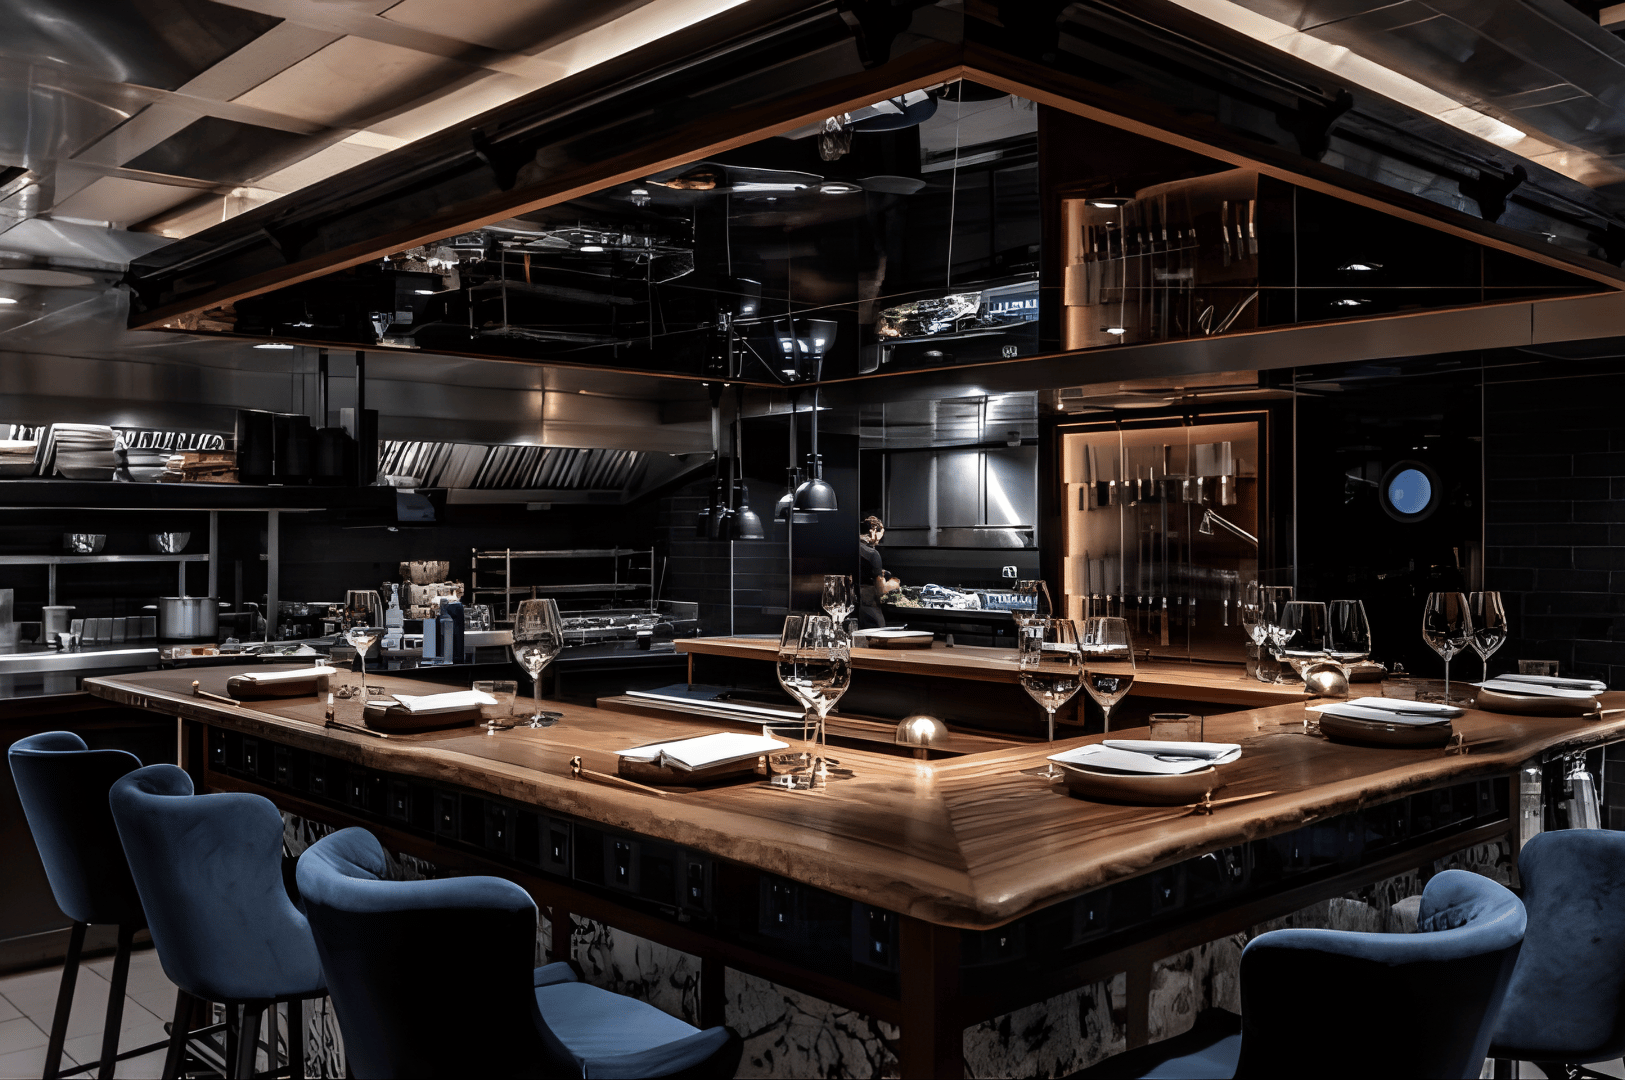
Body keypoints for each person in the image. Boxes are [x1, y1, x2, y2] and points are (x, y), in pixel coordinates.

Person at [857, 515, 898, 628]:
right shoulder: (872, 554)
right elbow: (881, 590)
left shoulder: (852, 547)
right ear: (873, 530)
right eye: (881, 534)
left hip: (852, 608)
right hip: (868, 608)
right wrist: (894, 583)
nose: (879, 540)